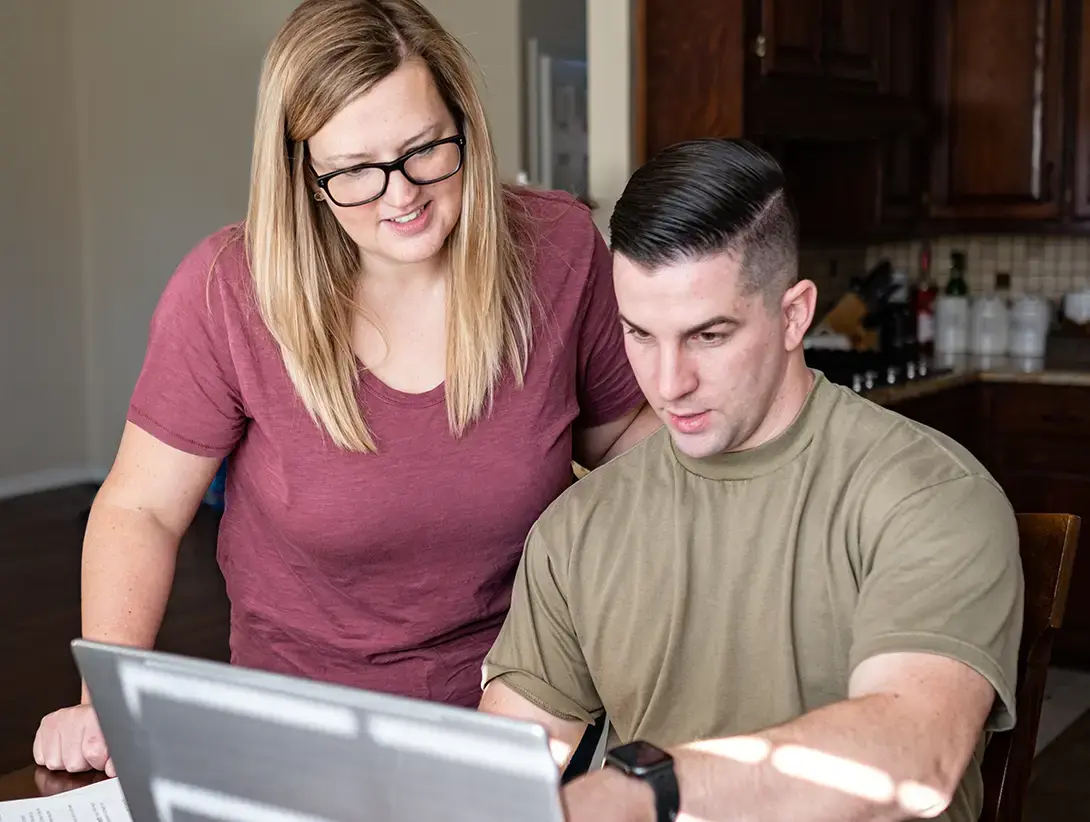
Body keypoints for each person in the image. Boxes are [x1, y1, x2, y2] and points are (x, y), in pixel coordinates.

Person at [33, 0, 658, 776]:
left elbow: (627, 444)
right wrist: (104, 702)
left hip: (527, 724)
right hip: (303, 734)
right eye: (357, 170)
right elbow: (141, 509)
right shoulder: (229, 293)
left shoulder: (557, 250)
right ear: (306, 176)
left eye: (426, 148)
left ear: (464, 121)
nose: (401, 194)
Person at [479, 138, 1024, 822]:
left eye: (709, 336)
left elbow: (915, 757)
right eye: (640, 334)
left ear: (794, 314)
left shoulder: (930, 496)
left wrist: (648, 790)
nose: (668, 383)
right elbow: (503, 772)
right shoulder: (577, 527)